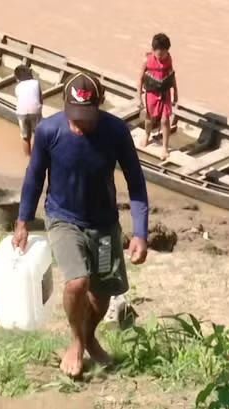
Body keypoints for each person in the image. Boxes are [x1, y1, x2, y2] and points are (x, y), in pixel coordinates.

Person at [13, 71, 150, 379]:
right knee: (77, 281)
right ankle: (76, 342)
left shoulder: (115, 132)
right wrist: (22, 221)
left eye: (86, 117)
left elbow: (136, 182)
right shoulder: (49, 131)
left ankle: (89, 335)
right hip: (64, 217)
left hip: (103, 223)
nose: (80, 124)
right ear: (65, 107)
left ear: (99, 106)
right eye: (75, 117)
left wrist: (140, 232)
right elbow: (34, 178)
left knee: (102, 293)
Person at [136, 32, 178, 160]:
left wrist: (176, 92)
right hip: (151, 93)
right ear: (153, 50)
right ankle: (146, 135)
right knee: (150, 118)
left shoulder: (169, 60)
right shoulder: (147, 60)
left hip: (165, 93)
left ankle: (165, 147)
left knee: (165, 120)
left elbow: (172, 77)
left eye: (164, 54)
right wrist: (138, 97)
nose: (161, 56)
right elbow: (140, 79)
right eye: (159, 54)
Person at [13, 64, 43, 156]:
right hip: (35, 111)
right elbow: (40, 99)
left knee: (25, 137)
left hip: (21, 112)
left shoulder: (17, 87)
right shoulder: (36, 83)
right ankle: (38, 156)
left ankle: (27, 157)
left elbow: (19, 100)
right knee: (38, 135)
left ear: (17, 78)